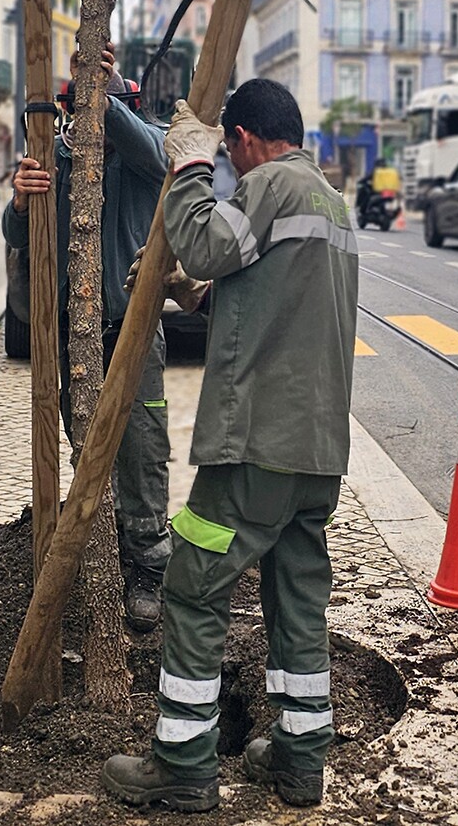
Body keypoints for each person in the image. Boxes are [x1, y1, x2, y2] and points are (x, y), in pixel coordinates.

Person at [100, 79, 360, 813]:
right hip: (316, 450)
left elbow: (204, 241)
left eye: (228, 157)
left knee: (191, 587)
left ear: (242, 140)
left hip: (255, 444)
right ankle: (300, 761)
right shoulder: (330, 200)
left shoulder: (269, 182)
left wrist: (188, 164)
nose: (230, 169)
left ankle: (182, 763)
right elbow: (278, 296)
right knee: (297, 597)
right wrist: (203, 295)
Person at [2, 46, 172, 630]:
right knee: (86, 446)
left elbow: (158, 158)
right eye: (81, 110)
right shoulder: (59, 155)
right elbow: (21, 235)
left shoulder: (148, 143)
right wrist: (20, 199)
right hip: (74, 336)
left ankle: (148, 565)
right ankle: (99, 551)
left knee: (142, 448)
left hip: (133, 329)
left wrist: (107, 96)